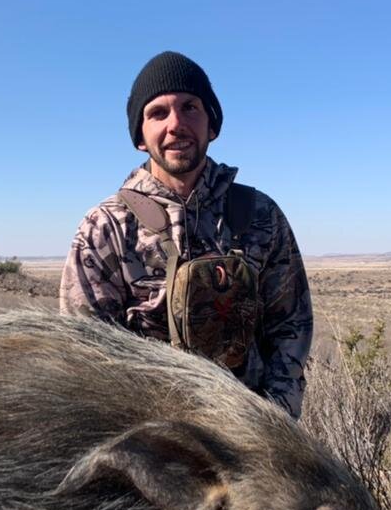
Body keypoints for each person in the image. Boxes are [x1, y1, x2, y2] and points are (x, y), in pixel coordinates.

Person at [60, 50, 313, 419]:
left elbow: (291, 327)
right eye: (157, 113)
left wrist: (273, 422)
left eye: (190, 107)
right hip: (150, 447)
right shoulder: (106, 227)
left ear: (212, 125)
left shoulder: (261, 214)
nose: (175, 123)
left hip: (254, 437)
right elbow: (86, 356)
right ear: (140, 137)